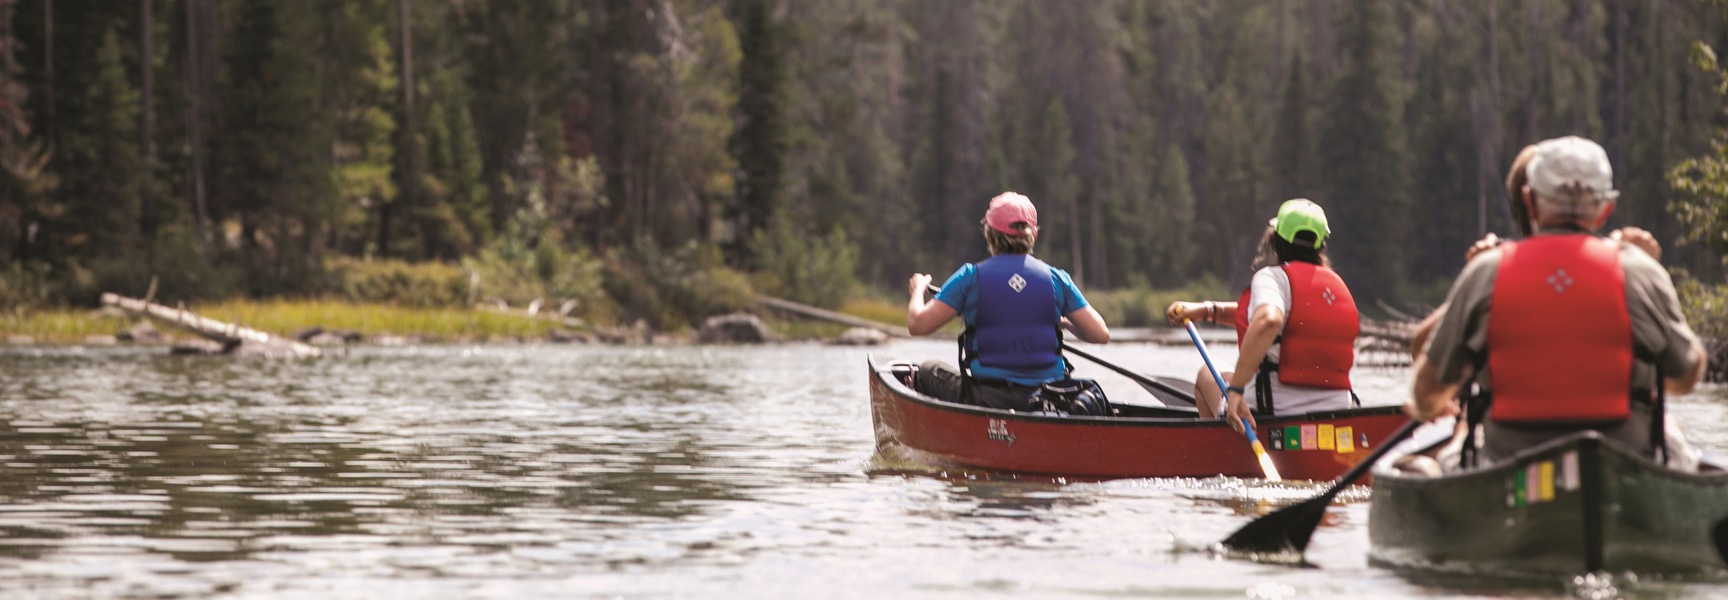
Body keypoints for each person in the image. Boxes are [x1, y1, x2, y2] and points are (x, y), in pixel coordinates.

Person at [1408, 136, 1708, 469]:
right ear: (1605, 210)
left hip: (1508, 468)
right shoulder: (1641, 271)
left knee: (1428, 464)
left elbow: (1424, 397)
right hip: (1621, 463)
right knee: (1672, 432)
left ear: (1530, 200)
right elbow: (1686, 375)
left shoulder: (1485, 272)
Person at [1164, 199, 1358, 430]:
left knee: (1208, 372)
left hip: (1272, 416)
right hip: (1338, 418)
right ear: (1320, 245)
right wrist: (1207, 310)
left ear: (1275, 242)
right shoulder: (1335, 287)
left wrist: (1236, 389)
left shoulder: (1272, 277)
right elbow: (1268, 316)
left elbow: (1268, 320)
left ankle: (1217, 451)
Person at [905, 192, 1110, 410]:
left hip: (987, 399)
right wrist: (1067, 323)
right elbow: (1100, 334)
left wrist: (918, 290)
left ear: (989, 235)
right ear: (1033, 236)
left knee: (927, 371)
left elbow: (917, 325)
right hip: (1048, 399)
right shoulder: (1056, 279)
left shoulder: (969, 278)